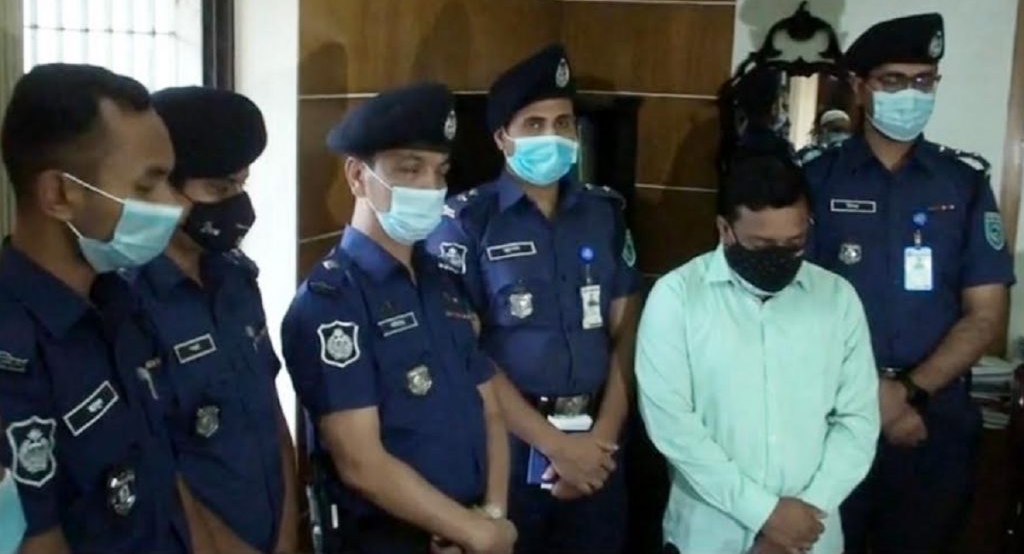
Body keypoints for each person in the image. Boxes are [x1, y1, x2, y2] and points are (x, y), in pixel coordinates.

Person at [802, 13, 1014, 553]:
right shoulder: (814, 178)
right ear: (859, 87)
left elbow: (986, 314)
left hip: (934, 420)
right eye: (893, 81)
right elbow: (790, 304)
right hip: (829, 415)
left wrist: (907, 394)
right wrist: (870, 396)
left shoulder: (963, 183)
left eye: (924, 81)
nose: (911, 94)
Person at [281, 82, 516, 554]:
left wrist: (490, 516)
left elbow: (489, 409)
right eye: (410, 169)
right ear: (357, 177)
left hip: (472, 528)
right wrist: (473, 533)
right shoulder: (331, 302)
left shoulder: (442, 281)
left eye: (440, 171)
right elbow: (361, 463)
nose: (430, 187)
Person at [427, 44, 641, 554]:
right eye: (535, 124)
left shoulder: (604, 213)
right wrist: (556, 448)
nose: (552, 136)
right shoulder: (465, 223)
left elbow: (627, 332)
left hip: (599, 449)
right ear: (503, 137)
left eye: (563, 123)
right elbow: (465, 352)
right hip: (509, 451)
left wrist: (600, 441)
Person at [636, 154, 880, 554]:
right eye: (763, 245)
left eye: (794, 244)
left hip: (811, 535)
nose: (779, 256)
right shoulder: (677, 298)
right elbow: (672, 426)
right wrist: (765, 514)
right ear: (725, 230)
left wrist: (803, 516)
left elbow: (857, 422)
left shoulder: (837, 299)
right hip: (708, 535)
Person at [0, 64, 190, 553]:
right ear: (59, 195)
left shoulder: (121, 301)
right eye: (147, 187)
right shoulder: (12, 349)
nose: (176, 206)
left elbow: (167, 483)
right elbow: (34, 543)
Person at [129, 86, 299, 553]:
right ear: (165, 186)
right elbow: (154, 463)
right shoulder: (126, 300)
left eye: (242, 185)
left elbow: (269, 411)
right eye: (219, 189)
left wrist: (288, 534)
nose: (237, 204)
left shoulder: (236, 277)